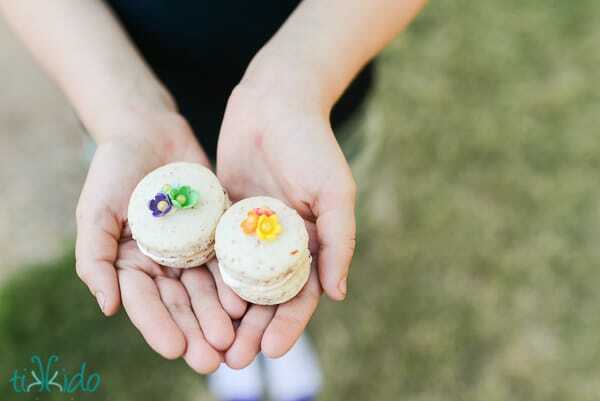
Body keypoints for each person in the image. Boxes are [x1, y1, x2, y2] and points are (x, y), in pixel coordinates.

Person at [0, 1, 426, 400]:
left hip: (310, 113)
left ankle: (271, 310)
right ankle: (235, 337)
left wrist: (301, 79)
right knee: (236, 305)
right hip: (127, 99)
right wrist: (123, 117)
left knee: (310, 243)